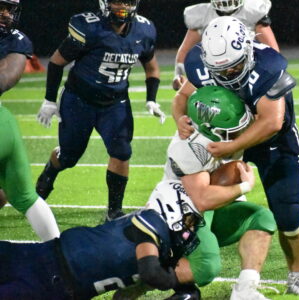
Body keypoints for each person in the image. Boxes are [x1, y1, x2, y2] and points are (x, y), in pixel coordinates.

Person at [173, 17, 299, 296]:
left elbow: (272, 122)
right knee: (196, 201)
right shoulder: (199, 63)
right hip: (224, 137)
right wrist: (179, 118)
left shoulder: (269, 66)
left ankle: (298, 275)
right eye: (221, 70)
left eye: (234, 67)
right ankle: (187, 263)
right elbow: (182, 98)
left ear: (249, 51)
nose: (228, 75)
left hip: (272, 142)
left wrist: (233, 147)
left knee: (288, 212)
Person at [35, 0, 166, 220]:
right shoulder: (89, 27)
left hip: (115, 103)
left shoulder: (144, 30)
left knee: (122, 152)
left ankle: (114, 211)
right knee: (69, 157)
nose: (122, 6)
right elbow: (57, 62)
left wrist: (151, 99)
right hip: (79, 101)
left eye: (128, 1)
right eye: (117, 1)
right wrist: (49, 100)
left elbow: (151, 65)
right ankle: (51, 170)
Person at [156, 86, 276, 300]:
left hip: (206, 208)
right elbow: (201, 200)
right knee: (206, 267)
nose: (241, 133)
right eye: (233, 130)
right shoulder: (189, 148)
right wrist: (244, 187)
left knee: (261, 218)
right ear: (211, 129)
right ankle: (137, 276)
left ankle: (245, 291)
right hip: (181, 216)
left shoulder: (214, 135)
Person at [0, 181, 204, 299]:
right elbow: (150, 271)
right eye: (189, 218)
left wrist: (184, 291)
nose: (191, 227)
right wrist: (172, 280)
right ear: (170, 207)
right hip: (53, 274)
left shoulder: (159, 242)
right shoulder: (152, 223)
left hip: (53, 270)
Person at [0, 0, 60, 241]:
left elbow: (5, 80)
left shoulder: (15, 40)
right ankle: (58, 255)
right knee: (23, 196)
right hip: (4, 124)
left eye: (9, 8)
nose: (5, 13)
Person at [172, 0, 279, 91]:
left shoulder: (252, 11)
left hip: (249, 67)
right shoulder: (203, 15)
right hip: (217, 71)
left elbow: (272, 50)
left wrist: (274, 72)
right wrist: (179, 74)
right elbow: (185, 50)